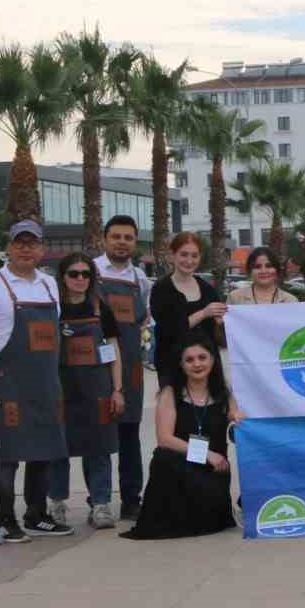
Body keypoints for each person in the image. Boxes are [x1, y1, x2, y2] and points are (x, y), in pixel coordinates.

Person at [0, 221, 73, 541]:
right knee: (7, 457)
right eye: (19, 242)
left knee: (44, 451)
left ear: (41, 249)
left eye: (32, 243)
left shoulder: (49, 285)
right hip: (6, 383)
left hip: (45, 382)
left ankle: (36, 515)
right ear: (9, 247)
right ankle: (4, 519)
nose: (26, 248)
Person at [122, 332, 241, 540]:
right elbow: (164, 438)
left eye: (202, 357)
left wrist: (239, 420)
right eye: (189, 359)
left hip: (212, 471)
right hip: (181, 465)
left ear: (213, 359)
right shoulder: (170, 393)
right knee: (162, 457)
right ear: (181, 364)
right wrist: (207, 454)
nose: (197, 364)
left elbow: (238, 422)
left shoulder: (225, 394)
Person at [47, 252, 125, 530]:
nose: (80, 279)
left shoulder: (99, 307)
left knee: (100, 448)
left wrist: (117, 389)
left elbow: (114, 349)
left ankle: (101, 504)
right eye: (73, 274)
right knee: (58, 449)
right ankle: (56, 504)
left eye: (85, 274)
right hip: (61, 389)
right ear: (63, 277)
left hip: (98, 389)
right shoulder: (52, 307)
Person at [94, 214, 151, 520]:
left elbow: (145, 320)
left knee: (130, 435)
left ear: (134, 241)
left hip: (130, 366)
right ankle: (98, 500)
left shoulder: (140, 279)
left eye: (128, 237)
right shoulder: (89, 271)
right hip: (93, 367)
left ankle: (132, 499)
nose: (122, 242)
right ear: (105, 239)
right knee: (99, 435)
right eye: (116, 236)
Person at [149, 232, 224, 390]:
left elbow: (219, 335)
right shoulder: (161, 289)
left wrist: (220, 323)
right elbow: (170, 329)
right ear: (172, 255)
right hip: (172, 367)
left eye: (194, 255)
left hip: (207, 368)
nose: (189, 261)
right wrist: (203, 313)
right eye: (184, 254)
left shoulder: (208, 289)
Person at [227, 246, 298, 306]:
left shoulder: (291, 301)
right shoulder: (235, 298)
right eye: (257, 267)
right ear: (250, 271)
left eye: (269, 266)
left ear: (277, 270)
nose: (263, 271)